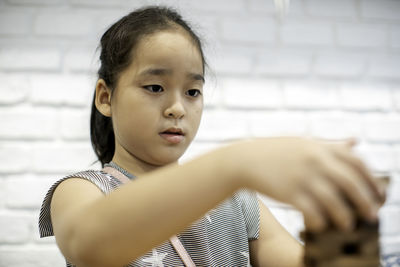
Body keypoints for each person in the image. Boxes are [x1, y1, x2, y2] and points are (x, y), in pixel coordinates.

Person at [38, 5, 383, 267]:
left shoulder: (237, 199)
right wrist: (235, 163)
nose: (177, 108)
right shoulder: (81, 189)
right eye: (155, 87)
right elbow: (89, 245)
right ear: (105, 97)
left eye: (192, 92)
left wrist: (346, 229)